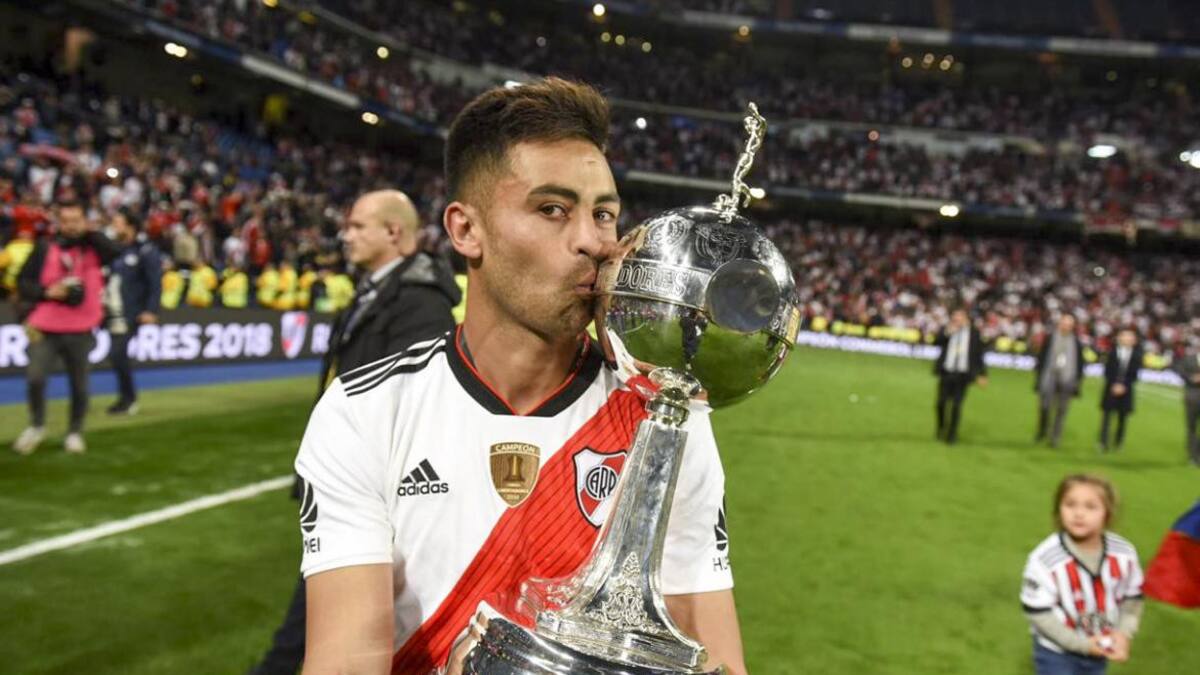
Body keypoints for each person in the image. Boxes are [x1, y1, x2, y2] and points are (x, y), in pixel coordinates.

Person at [295, 78, 745, 675]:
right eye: (552, 209)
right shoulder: (365, 411)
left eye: (604, 213)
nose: (592, 241)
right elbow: (347, 661)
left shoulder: (664, 415)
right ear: (466, 231)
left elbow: (716, 656)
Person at [249, 189, 461, 675]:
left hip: (373, 499)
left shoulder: (418, 304)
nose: (346, 235)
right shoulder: (380, 290)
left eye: (358, 226)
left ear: (395, 232)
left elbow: (409, 408)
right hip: (351, 485)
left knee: (308, 632)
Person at [13, 198, 120, 454]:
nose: (71, 226)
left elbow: (116, 252)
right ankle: (37, 426)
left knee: (80, 385)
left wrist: (91, 232)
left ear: (84, 221)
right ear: (58, 223)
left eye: (76, 221)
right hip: (46, 325)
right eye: (66, 221)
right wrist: (47, 291)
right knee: (35, 378)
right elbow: (22, 282)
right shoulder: (44, 247)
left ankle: (74, 432)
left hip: (81, 327)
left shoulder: (94, 248)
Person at [1020, 474, 1144, 674]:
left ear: (1108, 513)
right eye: (1070, 505)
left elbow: (1132, 598)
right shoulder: (1045, 559)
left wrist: (1123, 634)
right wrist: (1082, 645)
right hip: (1056, 652)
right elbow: (1038, 613)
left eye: (1090, 507)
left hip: (1100, 647)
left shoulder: (1124, 553)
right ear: (1058, 510)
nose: (1078, 514)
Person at [105, 208, 161, 415]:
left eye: (117, 222)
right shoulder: (115, 250)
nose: (114, 226)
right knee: (116, 355)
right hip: (113, 311)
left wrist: (150, 310)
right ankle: (126, 397)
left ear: (130, 226)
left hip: (132, 312)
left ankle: (128, 399)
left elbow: (155, 282)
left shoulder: (144, 250)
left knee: (117, 353)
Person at [932, 307, 987, 444]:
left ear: (966, 318)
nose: (956, 319)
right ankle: (941, 427)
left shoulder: (974, 333)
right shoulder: (948, 329)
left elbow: (979, 355)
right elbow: (935, 342)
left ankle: (952, 434)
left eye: (959, 316)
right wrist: (947, 333)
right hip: (947, 372)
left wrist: (982, 374)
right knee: (941, 403)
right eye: (955, 316)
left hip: (963, 374)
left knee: (957, 405)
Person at [1035, 315, 1085, 448]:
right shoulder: (1050, 338)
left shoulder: (1076, 342)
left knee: (1061, 411)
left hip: (1067, 379)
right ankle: (1042, 430)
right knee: (1044, 406)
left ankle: (1055, 438)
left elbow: (1080, 363)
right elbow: (1041, 357)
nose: (1066, 326)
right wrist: (1038, 376)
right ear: (1059, 324)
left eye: (1069, 325)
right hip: (1049, 376)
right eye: (1064, 323)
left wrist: (1077, 382)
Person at [1097, 328, 1142, 452]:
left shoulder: (1137, 355)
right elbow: (1107, 371)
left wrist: (1124, 386)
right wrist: (1114, 385)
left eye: (1130, 337)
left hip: (1126, 391)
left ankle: (1118, 442)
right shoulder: (1111, 353)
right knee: (1106, 416)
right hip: (1110, 388)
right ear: (1119, 338)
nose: (1127, 339)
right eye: (1125, 336)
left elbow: (1134, 375)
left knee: (1123, 418)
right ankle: (1103, 442)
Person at [1170, 344, 1200, 467]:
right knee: (1191, 427)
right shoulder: (1190, 359)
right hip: (1192, 396)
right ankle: (1192, 456)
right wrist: (1191, 377)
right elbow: (1177, 368)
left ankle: (1197, 453)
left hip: (1192, 396)